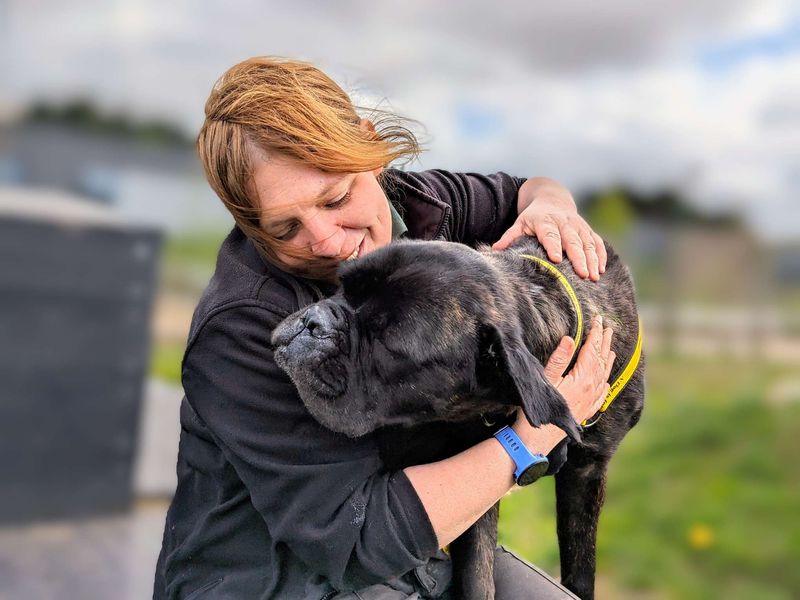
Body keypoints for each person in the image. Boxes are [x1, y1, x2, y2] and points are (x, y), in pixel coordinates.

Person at [153, 56, 615, 600]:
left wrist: (554, 207)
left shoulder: (422, 210)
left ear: (368, 153)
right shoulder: (239, 327)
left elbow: (527, 189)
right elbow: (355, 544)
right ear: (251, 226)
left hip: (417, 558)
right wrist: (525, 444)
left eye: (335, 198)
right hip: (271, 578)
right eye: (285, 227)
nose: (325, 240)